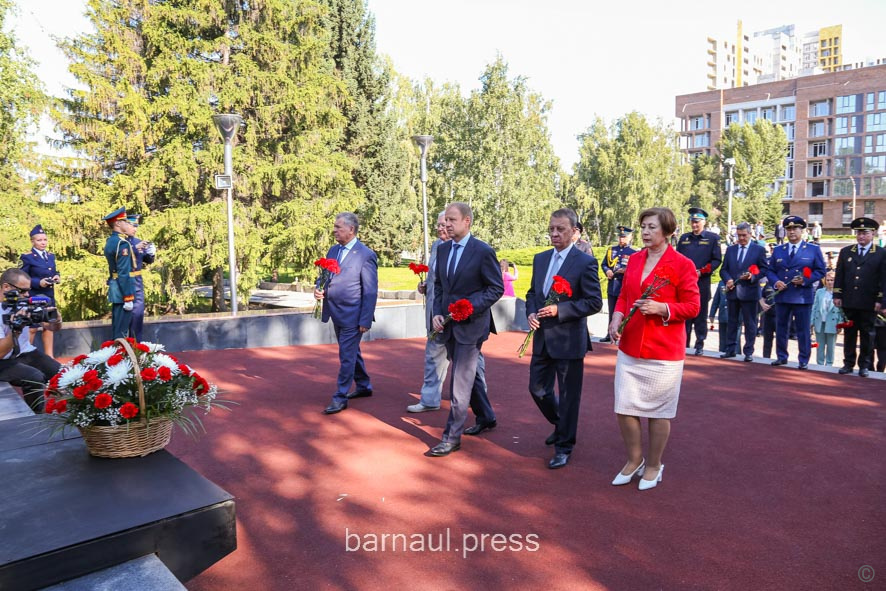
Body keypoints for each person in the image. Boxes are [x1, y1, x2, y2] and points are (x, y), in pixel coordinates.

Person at [608, 207, 700, 491]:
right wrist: (616, 317)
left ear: (668, 231)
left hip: (664, 351)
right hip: (630, 346)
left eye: (652, 227)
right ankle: (634, 459)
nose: (646, 232)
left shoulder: (682, 264)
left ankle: (654, 464)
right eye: (643, 227)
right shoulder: (635, 259)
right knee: (624, 407)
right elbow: (624, 296)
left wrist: (663, 309)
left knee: (659, 412)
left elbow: (693, 307)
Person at [526, 208, 602, 469]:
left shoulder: (585, 262)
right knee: (537, 389)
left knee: (569, 396)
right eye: (551, 229)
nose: (555, 233)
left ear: (574, 232)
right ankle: (562, 424)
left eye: (561, 229)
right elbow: (532, 293)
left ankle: (564, 446)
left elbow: (594, 302)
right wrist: (531, 312)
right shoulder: (540, 259)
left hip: (569, 340)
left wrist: (561, 310)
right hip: (542, 338)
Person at [427, 202, 504, 457]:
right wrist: (438, 312)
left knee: (458, 383)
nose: (446, 224)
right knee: (468, 376)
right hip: (448, 326)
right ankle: (486, 415)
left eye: (452, 220)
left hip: (471, 327)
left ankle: (451, 438)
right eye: (445, 220)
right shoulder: (443, 249)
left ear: (467, 221)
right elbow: (440, 286)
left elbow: (495, 288)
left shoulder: (483, 251)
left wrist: (469, 307)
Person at [408, 213, 489, 414]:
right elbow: (438, 280)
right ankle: (429, 399)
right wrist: (426, 287)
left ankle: (478, 400)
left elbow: (486, 287)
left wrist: (467, 308)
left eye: (445, 224)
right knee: (433, 356)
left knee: (471, 362)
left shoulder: (476, 249)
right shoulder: (438, 247)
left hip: (463, 317)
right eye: (438, 225)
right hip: (438, 314)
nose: (441, 228)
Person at [314, 213, 378, 414]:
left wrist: (365, 319)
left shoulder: (366, 255)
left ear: (351, 229)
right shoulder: (333, 250)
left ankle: (340, 397)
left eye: (338, 227)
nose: (334, 230)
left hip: (353, 314)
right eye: (334, 227)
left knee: (346, 355)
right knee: (350, 350)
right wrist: (318, 288)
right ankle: (364, 385)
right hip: (335, 312)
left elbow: (370, 290)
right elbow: (324, 275)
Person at [766, 216, 827, 370]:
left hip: (802, 296)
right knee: (781, 328)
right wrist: (776, 282)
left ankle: (803, 359)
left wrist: (806, 280)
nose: (792, 232)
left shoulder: (813, 249)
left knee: (803, 330)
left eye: (795, 229)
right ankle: (781, 356)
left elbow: (820, 270)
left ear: (802, 230)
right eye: (789, 229)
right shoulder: (779, 250)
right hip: (783, 295)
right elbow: (770, 270)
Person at [0, 268, 62, 412]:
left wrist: (56, 320)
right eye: (23, 291)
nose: (27, 295)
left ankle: (73, 413)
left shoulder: (24, 302)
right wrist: (17, 330)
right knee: (34, 378)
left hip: (24, 352)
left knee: (62, 374)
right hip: (3, 359)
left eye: (28, 290)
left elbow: (52, 327)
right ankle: (36, 418)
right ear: (6, 287)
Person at [833, 217, 886, 378]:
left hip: (869, 301)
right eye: (859, 233)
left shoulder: (881, 253)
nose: (861, 236)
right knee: (849, 333)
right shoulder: (846, 251)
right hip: (849, 300)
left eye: (865, 233)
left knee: (867, 335)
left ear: (873, 234)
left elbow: (883, 279)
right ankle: (848, 363)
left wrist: (881, 300)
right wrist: (837, 294)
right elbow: (839, 275)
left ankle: (865, 365)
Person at [719, 222, 768, 361]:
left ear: (750, 234)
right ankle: (730, 349)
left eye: (744, 235)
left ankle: (748, 352)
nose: (741, 238)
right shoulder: (731, 250)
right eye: (739, 235)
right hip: (733, 292)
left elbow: (764, 269)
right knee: (732, 322)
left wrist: (752, 276)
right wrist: (728, 279)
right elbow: (723, 269)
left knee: (750, 323)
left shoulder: (758, 250)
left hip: (750, 292)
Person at [676, 207, 721, 356]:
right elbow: (678, 258)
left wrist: (702, 271)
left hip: (702, 282)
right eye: (692, 222)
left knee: (701, 315)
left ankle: (700, 343)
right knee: (685, 314)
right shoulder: (684, 238)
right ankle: (684, 343)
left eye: (697, 222)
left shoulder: (713, 238)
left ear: (704, 222)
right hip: (685, 283)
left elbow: (716, 260)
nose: (694, 225)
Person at [20, 225, 60, 358]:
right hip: (34, 297)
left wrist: (57, 276)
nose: (43, 242)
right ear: (32, 241)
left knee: (49, 326)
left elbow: (53, 271)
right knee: (32, 328)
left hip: (49, 296)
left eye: (45, 240)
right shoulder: (27, 257)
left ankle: (50, 357)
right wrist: (38, 282)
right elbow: (22, 279)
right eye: (39, 240)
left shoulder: (50, 256)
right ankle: (26, 356)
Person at [103, 207, 136, 339]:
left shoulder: (111, 241)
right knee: (122, 330)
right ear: (117, 223)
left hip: (116, 286)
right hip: (123, 290)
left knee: (118, 325)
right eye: (125, 221)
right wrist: (128, 297)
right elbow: (123, 272)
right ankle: (120, 351)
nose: (128, 224)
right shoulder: (121, 244)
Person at [600, 225, 636, 343]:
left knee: (624, 312)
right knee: (612, 311)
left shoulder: (633, 253)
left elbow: (636, 269)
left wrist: (626, 271)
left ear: (630, 237)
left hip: (624, 286)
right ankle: (609, 333)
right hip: (613, 286)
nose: (622, 239)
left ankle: (623, 333)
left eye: (624, 237)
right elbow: (604, 264)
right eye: (620, 237)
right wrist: (607, 271)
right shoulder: (612, 250)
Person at [123, 215, 156, 342]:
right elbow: (120, 257)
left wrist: (151, 254)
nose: (135, 229)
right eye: (132, 226)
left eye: (136, 226)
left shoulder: (138, 241)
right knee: (124, 317)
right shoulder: (121, 243)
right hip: (124, 282)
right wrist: (134, 248)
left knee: (138, 315)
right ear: (125, 225)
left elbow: (147, 260)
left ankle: (136, 345)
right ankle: (123, 346)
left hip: (137, 281)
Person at [811, 271, 841, 366]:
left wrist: (840, 324)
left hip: (833, 322)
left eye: (832, 280)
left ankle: (829, 364)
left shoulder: (839, 293)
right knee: (819, 345)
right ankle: (819, 363)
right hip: (820, 321)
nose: (830, 282)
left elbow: (841, 310)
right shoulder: (819, 292)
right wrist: (811, 322)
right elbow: (814, 307)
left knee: (831, 346)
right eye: (828, 280)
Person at [709, 279, 729, 354]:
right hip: (722, 315)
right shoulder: (721, 283)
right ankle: (722, 352)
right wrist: (712, 314)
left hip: (735, 316)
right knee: (722, 340)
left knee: (734, 340)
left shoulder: (738, 281)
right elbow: (716, 299)